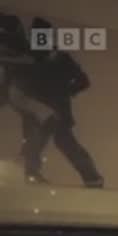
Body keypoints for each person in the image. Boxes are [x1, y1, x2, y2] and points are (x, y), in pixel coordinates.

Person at [18, 17, 102, 188]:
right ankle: (33, 176)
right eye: (37, 36)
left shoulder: (59, 58)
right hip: (41, 110)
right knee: (39, 142)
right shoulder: (33, 58)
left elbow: (83, 81)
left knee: (57, 142)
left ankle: (92, 178)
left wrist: (65, 91)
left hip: (55, 110)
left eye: (42, 36)